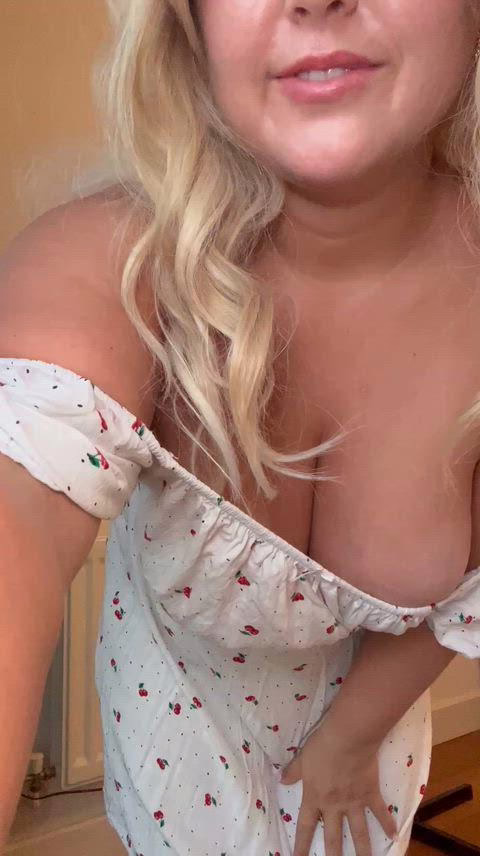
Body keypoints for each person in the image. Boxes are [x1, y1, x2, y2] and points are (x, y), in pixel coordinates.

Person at [2, 1, 480, 854]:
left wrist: (349, 745)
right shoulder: (109, 267)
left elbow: (464, 598)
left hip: (366, 743)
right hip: (173, 732)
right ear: (188, 20)